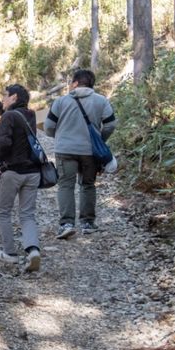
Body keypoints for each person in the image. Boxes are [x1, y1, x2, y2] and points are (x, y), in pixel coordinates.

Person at [44, 69, 117, 238]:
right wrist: (100, 139)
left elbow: (48, 126)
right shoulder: (101, 101)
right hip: (90, 151)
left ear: (75, 83)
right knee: (87, 185)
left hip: (65, 150)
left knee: (66, 185)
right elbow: (110, 125)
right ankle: (88, 223)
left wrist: (60, 136)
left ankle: (67, 224)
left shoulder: (60, 101)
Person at [0, 84, 43, 272]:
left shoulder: (9, 117)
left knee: (3, 212)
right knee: (27, 214)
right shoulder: (30, 115)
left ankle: (10, 253)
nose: (3, 98)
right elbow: (8, 114)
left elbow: (4, 142)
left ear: (14, 97)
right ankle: (33, 250)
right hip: (33, 173)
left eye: (5, 95)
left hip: (13, 172)